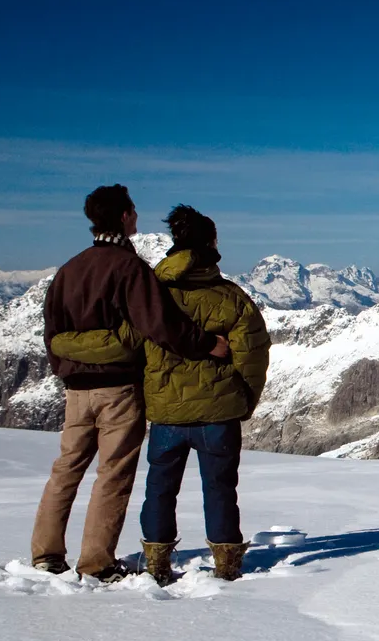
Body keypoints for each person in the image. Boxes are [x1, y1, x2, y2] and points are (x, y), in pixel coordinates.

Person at [36, 185, 230, 581]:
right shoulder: (129, 268)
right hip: (119, 389)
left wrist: (66, 367)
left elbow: (52, 331)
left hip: (75, 391)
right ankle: (97, 563)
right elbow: (159, 323)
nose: (137, 216)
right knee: (113, 473)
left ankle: (46, 554)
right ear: (125, 217)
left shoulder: (68, 269)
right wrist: (208, 344)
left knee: (66, 469)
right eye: (134, 210)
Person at [133, 204, 268, 585]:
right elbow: (253, 355)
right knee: (221, 489)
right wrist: (243, 400)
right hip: (219, 414)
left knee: (159, 489)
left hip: (165, 414)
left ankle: (157, 562)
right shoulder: (231, 297)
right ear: (212, 244)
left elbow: (133, 345)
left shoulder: (151, 294)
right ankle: (227, 563)